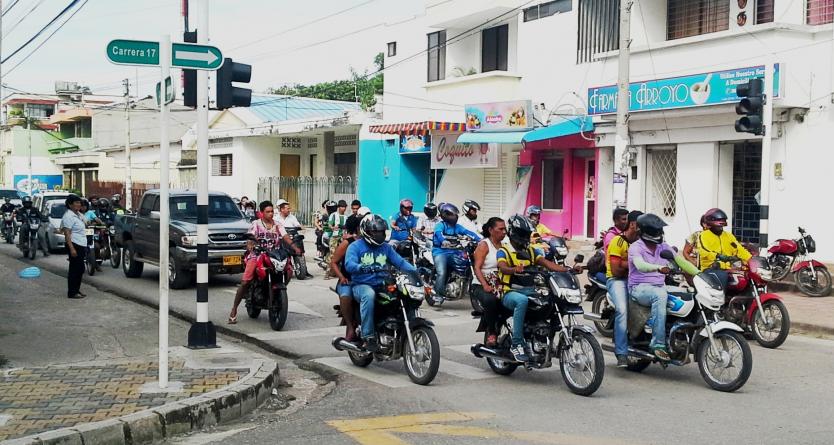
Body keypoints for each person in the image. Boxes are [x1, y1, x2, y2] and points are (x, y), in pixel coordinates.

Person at [496, 215, 578, 362]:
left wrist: (566, 270)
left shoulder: (532, 251)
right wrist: (514, 269)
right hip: (509, 292)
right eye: (523, 234)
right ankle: (517, 344)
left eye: (527, 235)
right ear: (514, 233)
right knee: (521, 301)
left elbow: (547, 263)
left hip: (532, 291)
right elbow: (502, 267)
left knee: (553, 300)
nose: (526, 238)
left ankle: (544, 338)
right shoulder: (504, 251)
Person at [345, 214, 421, 352]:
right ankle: (368, 336)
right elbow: (349, 264)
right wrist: (360, 267)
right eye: (375, 231)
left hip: (383, 284)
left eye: (381, 231)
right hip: (361, 285)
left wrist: (415, 273)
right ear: (366, 231)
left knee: (405, 295)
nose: (379, 234)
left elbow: (400, 262)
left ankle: (406, 329)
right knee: (369, 295)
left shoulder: (386, 247)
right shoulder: (355, 247)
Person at [228, 200, 300, 324]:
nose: (270, 214)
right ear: (262, 213)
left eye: (272, 211)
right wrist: (251, 244)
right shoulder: (256, 224)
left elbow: (286, 237)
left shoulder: (277, 225)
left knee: (288, 270)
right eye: (268, 212)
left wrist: (295, 247)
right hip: (257, 254)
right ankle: (234, 310)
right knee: (245, 281)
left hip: (274, 254)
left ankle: (276, 294)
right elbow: (251, 237)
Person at [627, 213, 675, 361]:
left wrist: (699, 273)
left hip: (659, 285)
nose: (659, 233)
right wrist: (659, 268)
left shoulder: (663, 246)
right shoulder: (636, 247)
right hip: (638, 288)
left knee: (685, 296)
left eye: (660, 230)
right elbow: (640, 265)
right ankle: (658, 344)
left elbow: (679, 261)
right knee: (660, 296)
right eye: (656, 230)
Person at [605, 210, 643, 367]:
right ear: (633, 225)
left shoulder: (641, 242)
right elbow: (616, 271)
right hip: (617, 281)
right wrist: (634, 265)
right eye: (642, 224)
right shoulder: (617, 242)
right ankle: (621, 352)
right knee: (622, 310)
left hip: (636, 279)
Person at [330, 207, 371, 342]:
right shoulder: (347, 243)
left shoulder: (372, 242)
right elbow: (334, 262)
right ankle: (350, 325)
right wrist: (341, 277)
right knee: (346, 297)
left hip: (366, 280)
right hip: (348, 280)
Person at [432, 203, 482, 304]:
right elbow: (439, 234)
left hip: (454, 252)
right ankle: (438, 295)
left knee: (464, 265)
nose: (455, 217)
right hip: (440, 252)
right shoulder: (441, 225)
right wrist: (443, 241)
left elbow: (469, 233)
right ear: (445, 215)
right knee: (441, 272)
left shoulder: (457, 227)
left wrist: (481, 240)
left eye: (455, 215)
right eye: (452, 214)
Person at [471, 217, 506, 347]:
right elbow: (477, 268)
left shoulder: (505, 245)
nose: (504, 232)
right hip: (481, 284)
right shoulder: (484, 245)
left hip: (500, 283)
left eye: (505, 229)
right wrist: (485, 285)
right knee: (491, 300)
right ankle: (491, 332)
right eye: (500, 229)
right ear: (491, 230)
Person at [695, 208, 751, 273]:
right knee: (722, 275)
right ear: (711, 225)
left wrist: (751, 260)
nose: (721, 228)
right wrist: (718, 256)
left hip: (728, 268)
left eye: (722, 226)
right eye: (718, 226)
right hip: (710, 268)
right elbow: (703, 250)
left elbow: (739, 249)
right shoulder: (704, 235)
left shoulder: (729, 236)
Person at [61, 195, 87, 299]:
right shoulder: (68, 216)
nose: (78, 205)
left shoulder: (78, 214)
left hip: (81, 243)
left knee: (80, 268)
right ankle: (72, 292)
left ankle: (76, 289)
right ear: (70, 204)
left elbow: (86, 222)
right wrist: (72, 248)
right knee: (75, 269)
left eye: (79, 203)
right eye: (76, 203)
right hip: (74, 244)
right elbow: (67, 234)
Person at [324, 200, 348, 278]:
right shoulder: (333, 215)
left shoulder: (346, 217)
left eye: (344, 207)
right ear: (338, 207)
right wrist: (333, 227)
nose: (343, 208)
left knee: (343, 255)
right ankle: (327, 273)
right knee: (332, 255)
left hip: (343, 238)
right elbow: (330, 224)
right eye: (341, 207)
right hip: (334, 237)